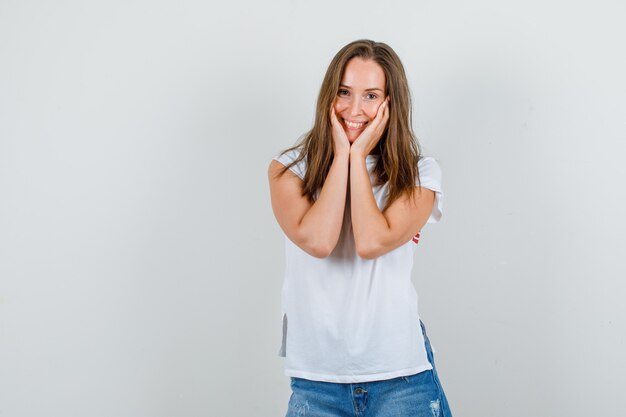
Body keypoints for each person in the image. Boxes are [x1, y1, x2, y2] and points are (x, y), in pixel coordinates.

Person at [268, 39, 453, 417]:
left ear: (391, 103)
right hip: (316, 384)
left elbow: (372, 241)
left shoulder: (420, 174)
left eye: (371, 96)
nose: (355, 109)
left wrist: (357, 155)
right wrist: (344, 154)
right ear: (328, 97)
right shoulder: (289, 169)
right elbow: (318, 240)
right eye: (344, 93)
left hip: (402, 381)